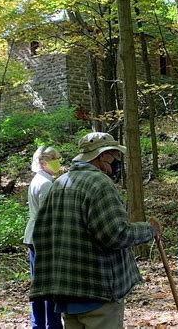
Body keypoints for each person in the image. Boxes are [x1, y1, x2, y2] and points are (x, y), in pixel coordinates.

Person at [29, 132, 161, 329]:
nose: (117, 162)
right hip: (98, 293)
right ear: (102, 156)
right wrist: (149, 230)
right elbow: (116, 235)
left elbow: (41, 234)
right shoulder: (100, 185)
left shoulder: (59, 184)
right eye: (115, 157)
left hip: (67, 292)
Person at [24, 146, 63, 329]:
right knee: (48, 285)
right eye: (54, 159)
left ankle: (38, 324)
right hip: (43, 237)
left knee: (38, 284)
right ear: (42, 162)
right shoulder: (46, 183)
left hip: (34, 236)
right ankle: (51, 325)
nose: (58, 162)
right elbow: (50, 214)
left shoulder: (38, 180)